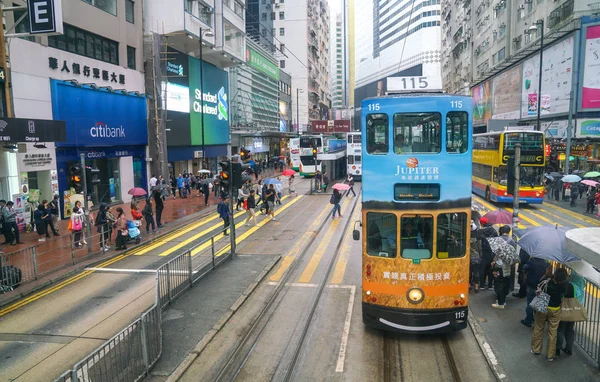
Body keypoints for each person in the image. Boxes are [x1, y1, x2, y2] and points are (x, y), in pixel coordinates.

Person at [531, 268, 568, 361]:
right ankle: (550, 355)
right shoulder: (565, 285)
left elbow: (539, 285)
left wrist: (547, 274)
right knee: (553, 332)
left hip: (543, 307)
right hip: (555, 310)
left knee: (538, 327)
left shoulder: (547, 282)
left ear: (554, 275)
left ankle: (536, 349)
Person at [521, 257, 549, 327]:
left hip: (531, 285)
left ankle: (528, 320)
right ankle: (537, 321)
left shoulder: (531, 262)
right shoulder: (545, 263)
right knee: (538, 304)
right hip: (540, 286)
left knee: (530, 303)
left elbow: (524, 267)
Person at [491, 225, 513, 309]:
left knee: (498, 283)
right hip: (507, 265)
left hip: (499, 265)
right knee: (505, 283)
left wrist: (493, 260)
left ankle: (500, 303)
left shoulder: (498, 240)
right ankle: (503, 300)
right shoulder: (511, 241)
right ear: (509, 231)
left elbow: (495, 252)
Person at [556, 275, 578, 356]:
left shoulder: (560, 286)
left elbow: (560, 298)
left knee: (561, 330)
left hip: (563, 311)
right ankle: (569, 349)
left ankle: (557, 348)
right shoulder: (573, 286)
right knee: (569, 330)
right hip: (572, 311)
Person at [479, 217, 498, 291]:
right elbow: (497, 241)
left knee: (482, 269)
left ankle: (482, 285)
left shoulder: (480, 231)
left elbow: (478, 241)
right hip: (491, 252)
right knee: (490, 269)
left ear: (482, 223)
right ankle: (490, 285)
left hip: (483, 252)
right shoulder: (493, 230)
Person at [470, 220, 482, 293]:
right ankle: (476, 287)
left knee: (469, 272)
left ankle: (468, 286)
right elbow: (480, 248)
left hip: (468, 257)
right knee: (476, 272)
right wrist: (480, 256)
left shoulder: (465, 238)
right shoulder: (477, 239)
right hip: (476, 257)